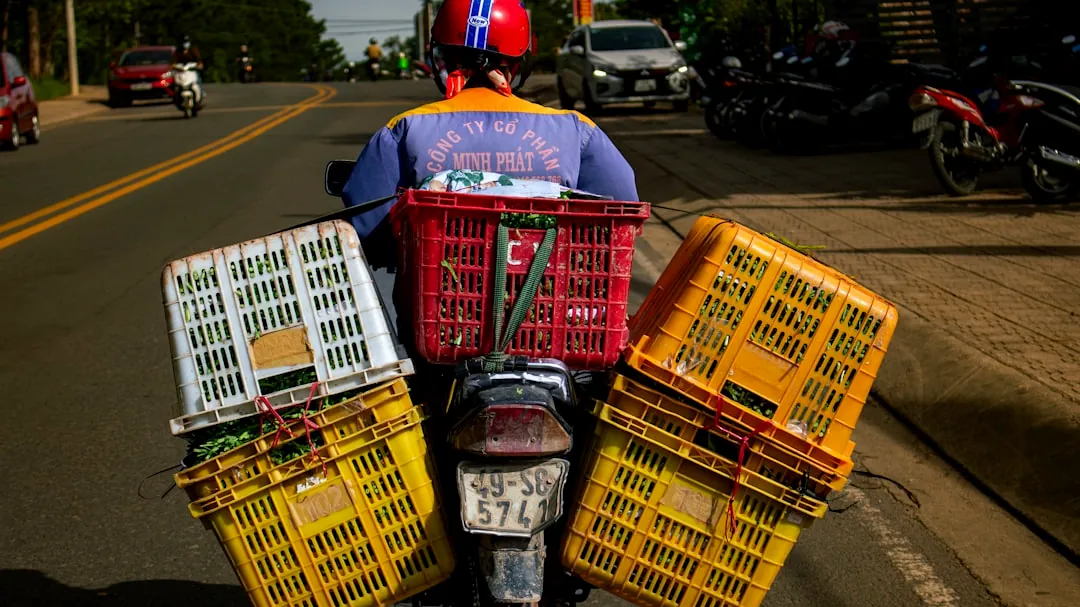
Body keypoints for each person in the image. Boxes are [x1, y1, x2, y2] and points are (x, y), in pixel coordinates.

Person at [340, 0, 638, 355]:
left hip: (437, 334)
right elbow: (623, 212)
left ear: (443, 56)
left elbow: (366, 226)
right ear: (519, 59)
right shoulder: (576, 129)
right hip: (558, 332)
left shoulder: (404, 129)